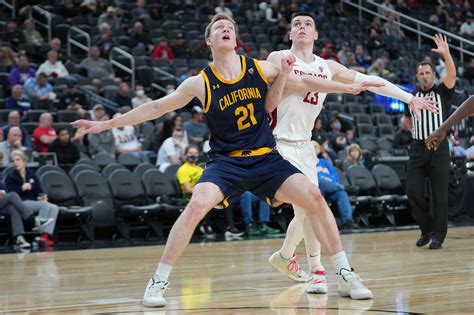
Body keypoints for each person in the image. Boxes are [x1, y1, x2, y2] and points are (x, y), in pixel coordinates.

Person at [73, 13, 399, 307]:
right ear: (209, 41)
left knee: (314, 197)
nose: (226, 30)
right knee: (196, 205)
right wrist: (106, 123)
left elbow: (304, 82)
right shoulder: (199, 82)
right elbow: (156, 108)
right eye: (219, 28)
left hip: (265, 158)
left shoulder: (257, 67)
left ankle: (344, 273)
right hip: (226, 163)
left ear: (236, 38)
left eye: (230, 27)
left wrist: (347, 86)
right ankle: (158, 281)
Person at [264, 12, 438, 294]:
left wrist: (409, 97)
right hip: (276, 143)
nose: (303, 27)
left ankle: (292, 259)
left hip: (304, 145)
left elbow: (370, 80)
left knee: (309, 209)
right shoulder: (278, 58)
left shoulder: (327, 66)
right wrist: (345, 87)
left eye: (309, 23)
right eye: (297, 24)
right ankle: (315, 268)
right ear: (290, 34)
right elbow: (296, 87)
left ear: (317, 34)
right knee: (311, 207)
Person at [404, 34, 456, 250]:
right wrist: (417, 132)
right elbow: (407, 120)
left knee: (439, 195)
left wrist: (446, 54)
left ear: (433, 75)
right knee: (413, 191)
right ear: (417, 77)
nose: (425, 76)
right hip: (417, 148)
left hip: (439, 148)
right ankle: (426, 229)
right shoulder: (412, 96)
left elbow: (452, 75)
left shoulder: (442, 92)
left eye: (428, 73)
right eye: (421, 74)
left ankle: (439, 236)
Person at [5, 150, 59, 246]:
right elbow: (10, 196)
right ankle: (39, 232)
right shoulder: (11, 177)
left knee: (55, 207)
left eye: (18, 160)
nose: (15, 162)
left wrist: (41, 196)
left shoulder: (32, 174)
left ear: (24, 161)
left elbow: (39, 190)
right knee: (45, 206)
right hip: (21, 203)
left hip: (34, 202)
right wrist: (21, 188)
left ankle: (44, 236)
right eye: (13, 161)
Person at [314, 141, 355, 229]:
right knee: (320, 180)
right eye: (312, 147)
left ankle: (348, 221)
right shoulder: (307, 163)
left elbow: (335, 175)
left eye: (316, 147)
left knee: (342, 193)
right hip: (317, 190)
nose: (314, 148)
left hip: (331, 188)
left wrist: (331, 181)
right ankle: (344, 187)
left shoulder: (324, 162)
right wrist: (325, 180)